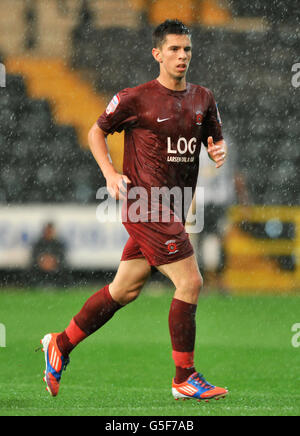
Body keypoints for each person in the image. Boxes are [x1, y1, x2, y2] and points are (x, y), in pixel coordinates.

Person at [39, 19, 229, 401]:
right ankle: (184, 378)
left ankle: (60, 343)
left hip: (174, 208)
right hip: (145, 204)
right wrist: (109, 172)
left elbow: (214, 138)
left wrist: (216, 149)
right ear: (157, 54)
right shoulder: (135, 98)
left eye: (187, 49)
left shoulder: (203, 98)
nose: (182, 56)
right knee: (190, 282)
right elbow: (96, 130)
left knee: (124, 290)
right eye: (174, 49)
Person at [31, 222, 67, 287]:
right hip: (40, 267)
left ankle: (57, 285)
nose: (49, 233)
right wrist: (42, 262)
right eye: (48, 231)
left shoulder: (58, 244)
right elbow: (34, 256)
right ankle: (37, 285)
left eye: (50, 231)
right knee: (32, 270)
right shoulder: (39, 243)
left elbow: (61, 257)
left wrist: (53, 261)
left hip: (55, 267)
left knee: (64, 270)